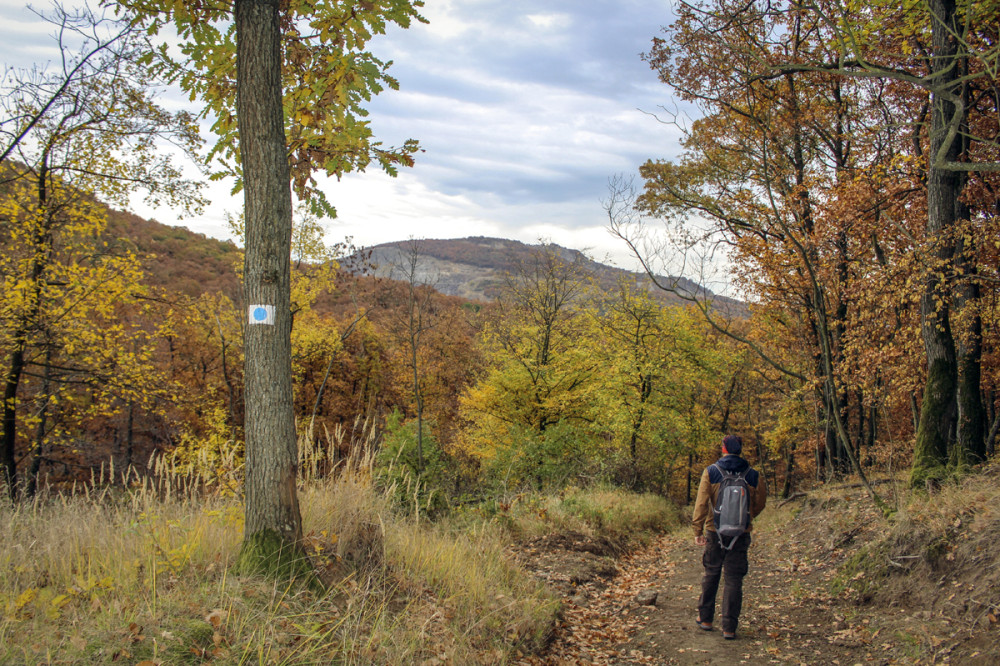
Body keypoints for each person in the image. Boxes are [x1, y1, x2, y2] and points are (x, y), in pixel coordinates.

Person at [691, 434, 766, 640]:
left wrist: (697, 530)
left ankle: (705, 619)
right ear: (740, 449)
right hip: (741, 534)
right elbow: (760, 503)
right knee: (734, 579)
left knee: (711, 573)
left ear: (724, 449)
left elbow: (701, 503)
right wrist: (746, 518)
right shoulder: (753, 474)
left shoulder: (712, 472)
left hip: (714, 531)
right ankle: (729, 627)